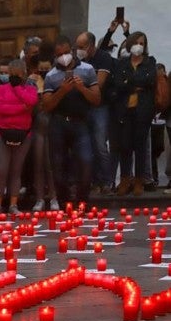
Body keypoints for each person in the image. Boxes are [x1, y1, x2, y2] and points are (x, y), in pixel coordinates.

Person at [42, 36, 101, 205]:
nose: (64, 56)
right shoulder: (51, 76)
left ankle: (82, 202)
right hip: (58, 124)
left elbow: (97, 100)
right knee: (58, 167)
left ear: (73, 51)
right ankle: (64, 204)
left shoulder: (88, 69)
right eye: (60, 54)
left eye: (67, 52)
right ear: (55, 55)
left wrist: (82, 88)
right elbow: (47, 106)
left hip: (80, 123)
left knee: (86, 163)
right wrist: (62, 91)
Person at [0, 59, 38, 215]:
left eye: (17, 75)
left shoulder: (29, 89)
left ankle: (13, 204)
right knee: (2, 169)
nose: (14, 78)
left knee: (16, 170)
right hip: (2, 133)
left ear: (24, 75)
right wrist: (21, 108)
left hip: (23, 134)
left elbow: (32, 102)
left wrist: (18, 89)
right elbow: (0, 108)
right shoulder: (0, 89)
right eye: (12, 75)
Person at [114, 32, 157, 196]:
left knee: (140, 146)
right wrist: (135, 84)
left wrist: (129, 82)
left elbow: (150, 80)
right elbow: (118, 84)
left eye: (142, 43)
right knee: (125, 145)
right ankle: (125, 179)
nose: (139, 45)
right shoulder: (122, 63)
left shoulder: (149, 62)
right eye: (137, 42)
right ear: (130, 44)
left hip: (143, 109)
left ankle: (139, 180)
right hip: (125, 109)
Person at [75, 31, 115, 195]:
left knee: (100, 145)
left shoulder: (103, 57)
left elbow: (98, 84)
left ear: (91, 46)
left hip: (101, 107)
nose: (79, 50)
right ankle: (92, 180)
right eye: (77, 47)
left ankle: (107, 181)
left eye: (82, 47)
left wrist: (82, 86)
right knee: (87, 145)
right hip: (84, 107)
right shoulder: (79, 60)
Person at [31, 50, 60, 211]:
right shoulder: (32, 83)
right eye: (41, 68)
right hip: (38, 126)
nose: (43, 71)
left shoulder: (55, 81)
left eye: (46, 68)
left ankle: (54, 197)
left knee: (51, 163)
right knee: (38, 163)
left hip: (52, 125)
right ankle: (39, 198)